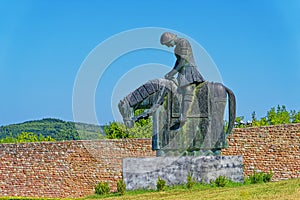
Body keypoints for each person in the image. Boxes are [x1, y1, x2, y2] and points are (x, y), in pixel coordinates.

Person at [160, 32, 205, 125]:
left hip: (189, 70)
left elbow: (184, 61)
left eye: (168, 44)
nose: (168, 46)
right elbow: (178, 62)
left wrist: (172, 72)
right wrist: (170, 73)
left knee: (187, 89)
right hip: (182, 72)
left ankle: (184, 115)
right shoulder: (177, 47)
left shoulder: (183, 42)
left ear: (170, 40)